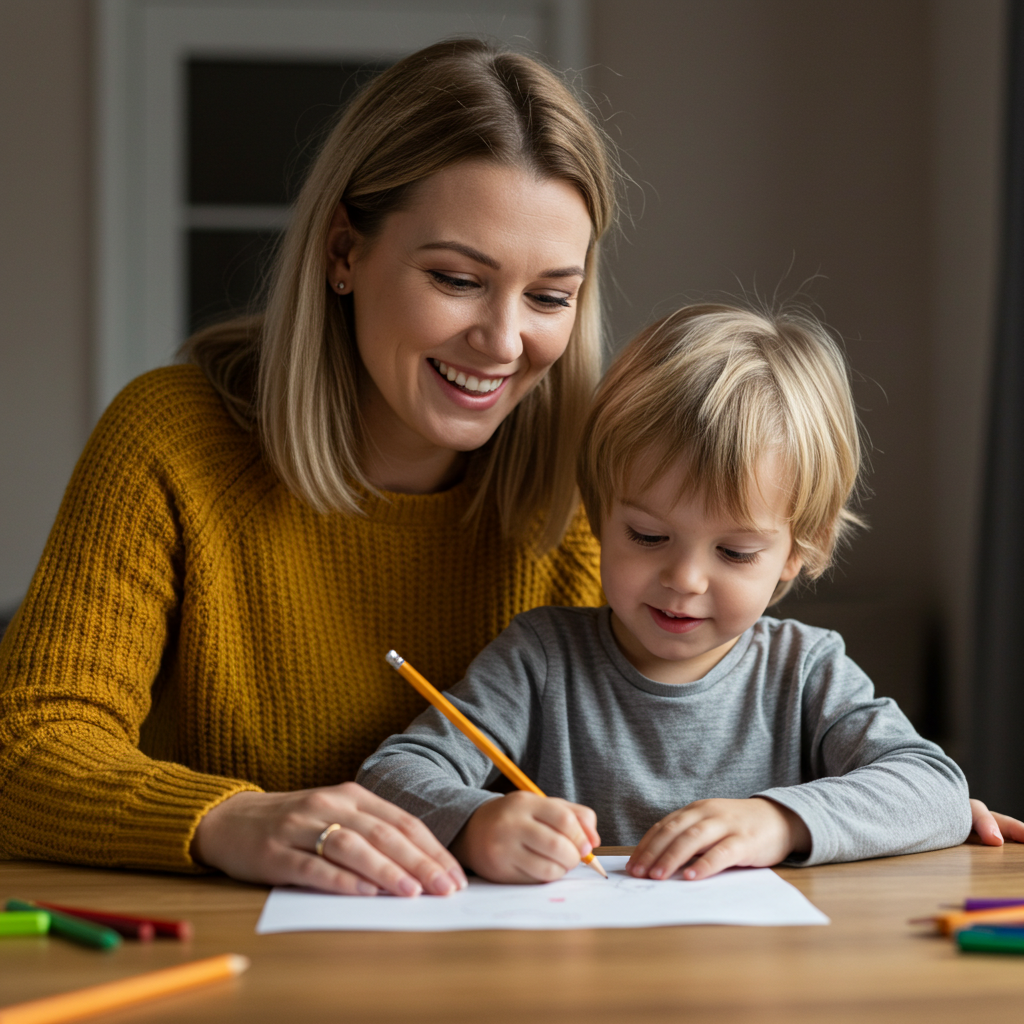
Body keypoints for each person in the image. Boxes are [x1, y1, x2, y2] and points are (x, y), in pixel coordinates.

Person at [0, 39, 618, 897]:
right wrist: (224, 820)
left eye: (550, 296)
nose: (505, 341)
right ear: (342, 253)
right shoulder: (171, 440)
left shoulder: (590, 488)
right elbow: (25, 752)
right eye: (456, 278)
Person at [358, 304, 980, 883]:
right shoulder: (539, 659)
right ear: (601, 516)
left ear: (798, 550)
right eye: (648, 535)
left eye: (735, 552)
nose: (685, 580)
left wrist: (777, 820)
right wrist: (475, 824)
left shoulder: (806, 670)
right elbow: (391, 777)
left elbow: (935, 789)